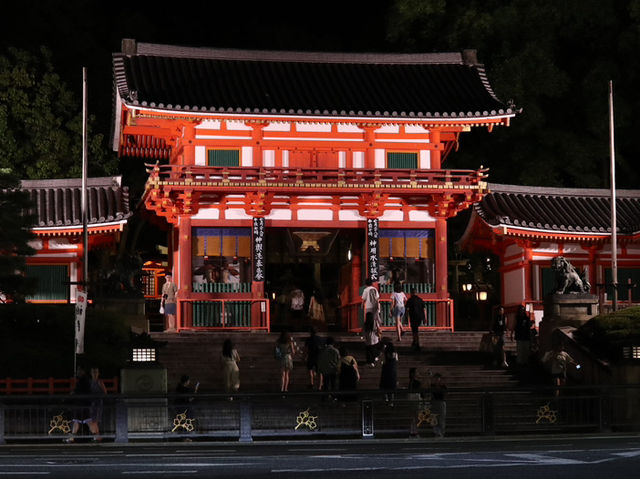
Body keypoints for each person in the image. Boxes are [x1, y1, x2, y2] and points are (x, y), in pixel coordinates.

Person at [64, 367, 97, 443]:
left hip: (81, 403)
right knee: (81, 421)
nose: (77, 373)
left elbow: (80, 391)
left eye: (78, 371)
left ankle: (95, 436)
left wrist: (74, 392)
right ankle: (95, 436)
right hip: (83, 403)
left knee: (82, 421)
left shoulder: (83, 381)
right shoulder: (85, 380)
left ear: (82, 371)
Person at [88, 367, 107, 442]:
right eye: (93, 372)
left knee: (95, 420)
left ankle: (97, 436)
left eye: (96, 372)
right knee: (92, 420)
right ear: (91, 373)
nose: (95, 374)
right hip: (91, 403)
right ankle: (97, 436)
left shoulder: (100, 382)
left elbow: (105, 392)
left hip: (98, 402)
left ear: (98, 373)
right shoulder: (89, 382)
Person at [408, 367, 424, 436]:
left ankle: (414, 431)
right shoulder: (413, 382)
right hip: (414, 399)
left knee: (415, 416)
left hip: (415, 399)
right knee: (415, 416)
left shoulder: (415, 382)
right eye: (416, 372)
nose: (417, 373)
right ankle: (414, 432)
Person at [430, 372, 447, 438]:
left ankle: (441, 432)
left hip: (441, 402)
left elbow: (445, 394)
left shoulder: (443, 386)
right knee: (434, 418)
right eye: (435, 379)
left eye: (438, 379)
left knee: (441, 418)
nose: (437, 380)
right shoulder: (432, 386)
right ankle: (436, 432)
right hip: (434, 402)